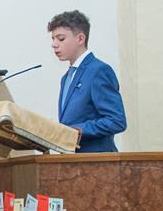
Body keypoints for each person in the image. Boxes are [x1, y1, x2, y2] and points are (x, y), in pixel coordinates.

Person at [49, 10, 126, 153]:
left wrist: (79, 130)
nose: (54, 44)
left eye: (60, 39)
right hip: (73, 159)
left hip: (96, 160)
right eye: (53, 39)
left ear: (80, 38)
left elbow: (116, 120)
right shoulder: (66, 78)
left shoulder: (98, 71)